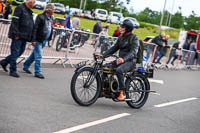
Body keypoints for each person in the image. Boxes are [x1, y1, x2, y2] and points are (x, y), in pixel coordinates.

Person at [100, 19, 139, 100]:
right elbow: (114, 48)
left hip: (131, 61)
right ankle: (104, 89)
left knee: (119, 70)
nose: (120, 28)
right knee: (104, 68)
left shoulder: (134, 38)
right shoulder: (121, 37)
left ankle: (122, 92)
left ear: (127, 28)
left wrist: (123, 59)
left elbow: (133, 52)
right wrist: (103, 55)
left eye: (123, 27)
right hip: (120, 60)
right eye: (121, 26)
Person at [0, 0, 35, 78]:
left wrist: (31, 37)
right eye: (34, 2)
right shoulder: (19, 8)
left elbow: (31, 24)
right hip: (18, 35)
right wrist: (16, 34)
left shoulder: (29, 11)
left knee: (20, 52)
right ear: (29, 1)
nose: (34, 4)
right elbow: (15, 22)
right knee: (15, 52)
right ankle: (13, 70)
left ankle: (4, 62)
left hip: (25, 36)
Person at [23, 3, 54, 79]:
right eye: (53, 9)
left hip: (44, 40)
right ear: (49, 10)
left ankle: (26, 66)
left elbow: (50, 28)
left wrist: (49, 38)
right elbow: (35, 29)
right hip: (38, 40)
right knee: (38, 56)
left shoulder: (51, 18)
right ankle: (38, 72)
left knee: (34, 55)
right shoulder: (40, 17)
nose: (54, 11)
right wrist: (33, 40)